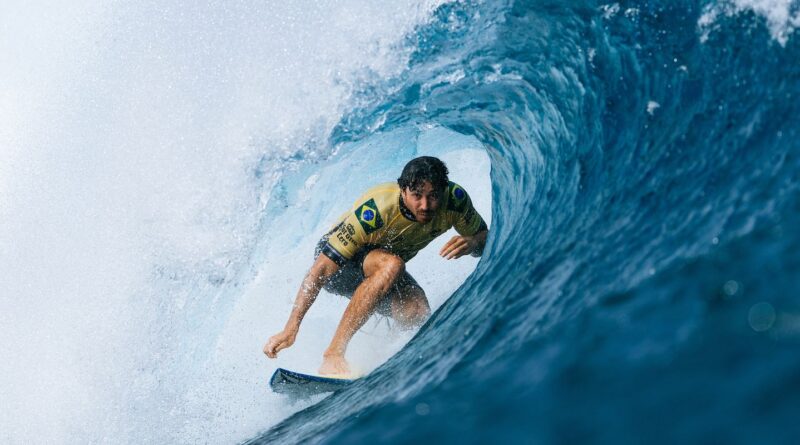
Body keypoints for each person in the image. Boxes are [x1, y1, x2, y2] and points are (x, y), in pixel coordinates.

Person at [263, 156, 489, 376]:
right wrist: (291, 327)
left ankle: (388, 360)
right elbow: (320, 270)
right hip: (342, 267)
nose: (425, 205)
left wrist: (473, 242)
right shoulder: (377, 210)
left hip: (384, 269)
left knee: (416, 311)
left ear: (444, 189)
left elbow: (484, 239)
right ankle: (333, 354)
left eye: (433, 196)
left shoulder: (455, 200)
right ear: (403, 190)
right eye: (417, 195)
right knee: (391, 264)